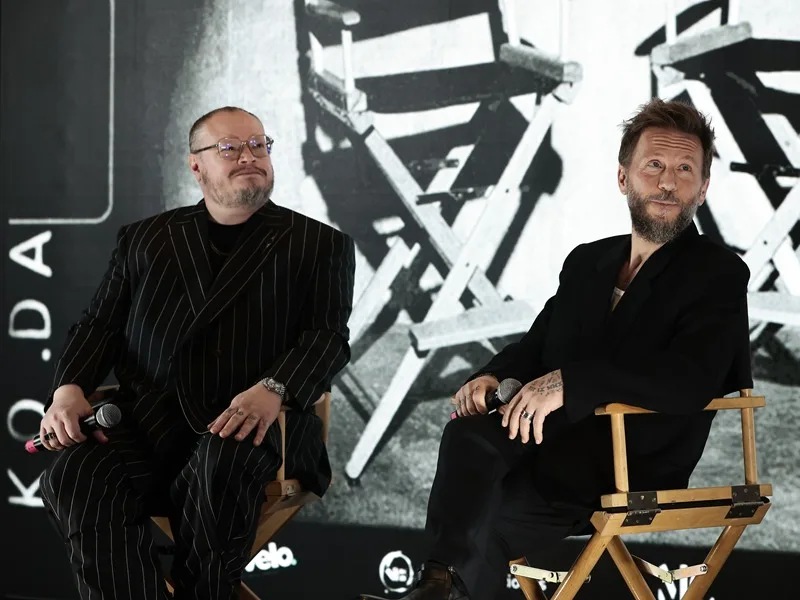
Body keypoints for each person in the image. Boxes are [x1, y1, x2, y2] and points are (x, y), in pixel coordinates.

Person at [360, 97, 752, 600]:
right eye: (654, 165)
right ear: (623, 178)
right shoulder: (588, 261)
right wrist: (490, 375)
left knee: (482, 503)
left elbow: (690, 380)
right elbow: (538, 345)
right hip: (556, 442)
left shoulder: (718, 272)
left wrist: (572, 383)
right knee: (471, 454)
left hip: (634, 458)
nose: (668, 183)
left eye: (685, 169)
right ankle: (437, 590)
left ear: (703, 187)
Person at [38, 106, 355, 599]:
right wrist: (68, 389)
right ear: (196, 166)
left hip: (257, 430)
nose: (249, 156)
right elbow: (99, 325)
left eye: (258, 145)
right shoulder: (144, 239)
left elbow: (328, 338)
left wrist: (273, 388)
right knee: (73, 473)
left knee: (219, 466)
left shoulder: (319, 244)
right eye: (230, 147)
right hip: (149, 426)